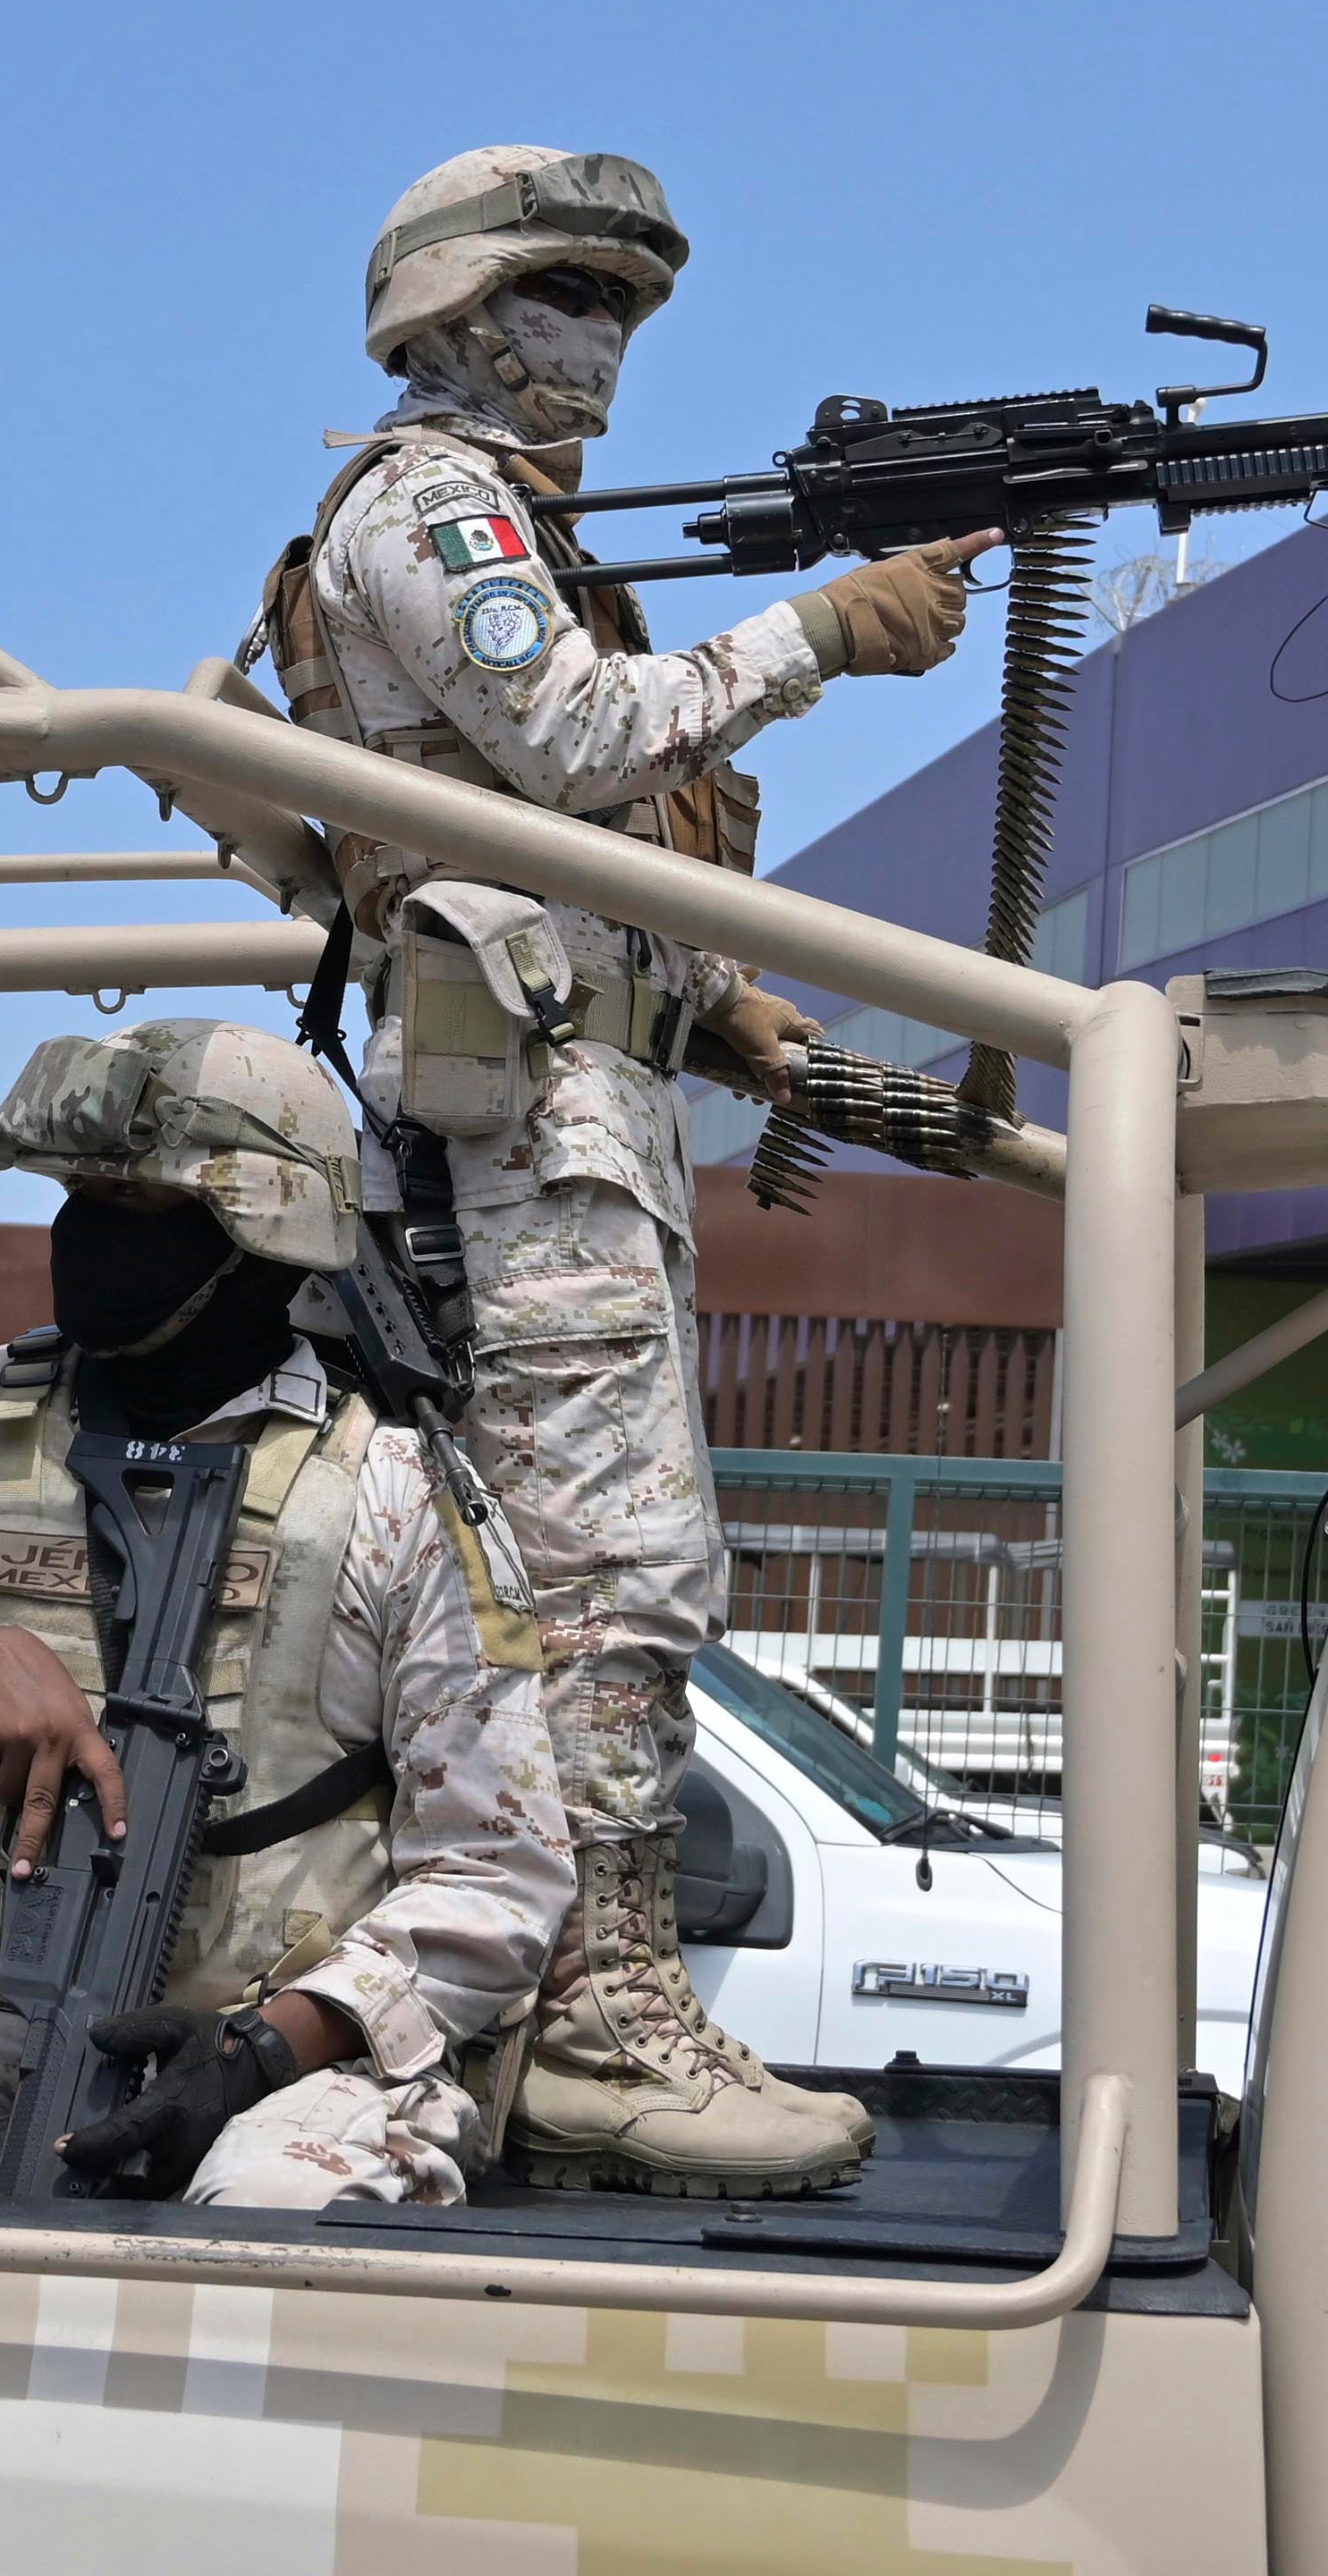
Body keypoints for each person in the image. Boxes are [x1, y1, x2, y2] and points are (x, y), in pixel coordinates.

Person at [252, 145, 989, 2194]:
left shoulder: (525, 528)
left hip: (585, 1105)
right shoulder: (428, 504)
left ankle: (552, 1993)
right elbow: (578, 745)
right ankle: (598, 2017)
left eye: (621, 306)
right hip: (522, 1133)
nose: (596, 341)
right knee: (603, 1583)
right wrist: (821, 631)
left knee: (601, 1572)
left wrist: (729, 1009)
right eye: (561, 293)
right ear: (446, 306)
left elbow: (560, 838)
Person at [0, 1018, 570, 2207]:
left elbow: (500, 1873)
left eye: (136, 1211)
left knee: (280, 2218)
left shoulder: (394, 1491)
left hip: (277, 2056)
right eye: (79, 1195)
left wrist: (260, 2051)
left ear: (263, 1234)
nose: (84, 1235)